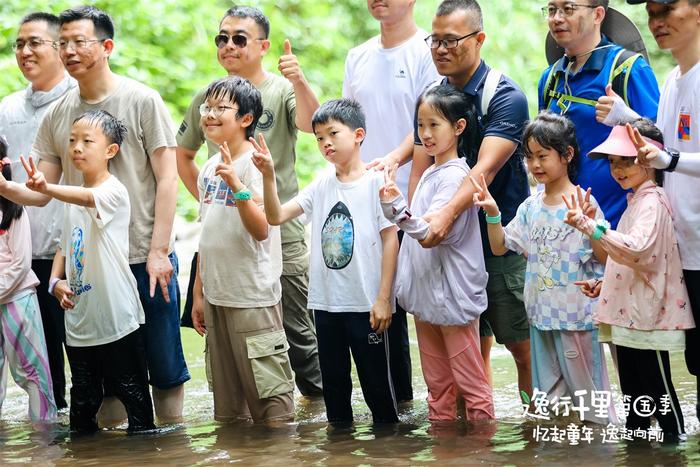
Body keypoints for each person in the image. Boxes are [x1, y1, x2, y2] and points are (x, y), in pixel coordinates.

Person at [0, 5, 189, 423]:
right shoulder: (58, 113)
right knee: (105, 379)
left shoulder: (142, 99)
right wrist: (7, 188)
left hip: (143, 257)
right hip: (92, 271)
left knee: (163, 369)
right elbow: (43, 191)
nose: (68, 50)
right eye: (62, 42)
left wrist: (160, 251)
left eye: (78, 41)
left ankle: (173, 447)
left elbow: (169, 179)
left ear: (106, 47)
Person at [373, 0, 532, 401]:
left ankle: (537, 433)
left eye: (451, 40)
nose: (440, 49)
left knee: (522, 346)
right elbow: (423, 167)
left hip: (500, 240)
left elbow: (484, 171)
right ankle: (469, 441)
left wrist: (442, 216)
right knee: (466, 350)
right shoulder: (436, 95)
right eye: (435, 40)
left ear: (479, 39)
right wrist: (414, 225)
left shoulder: (505, 96)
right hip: (452, 248)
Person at [176, 5, 322, 397]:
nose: (229, 46)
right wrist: (217, 205)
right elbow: (183, 154)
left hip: (281, 232)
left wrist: (300, 79)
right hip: (223, 245)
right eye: (222, 38)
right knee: (223, 345)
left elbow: (312, 125)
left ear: (263, 46)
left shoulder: (280, 89)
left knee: (297, 336)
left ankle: (321, 429)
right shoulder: (208, 100)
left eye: (239, 38)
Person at [253, 99, 400, 425]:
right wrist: (267, 175)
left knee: (377, 387)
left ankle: (390, 451)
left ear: (358, 134)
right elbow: (276, 216)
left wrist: (384, 298)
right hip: (326, 305)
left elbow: (391, 240)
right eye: (319, 137)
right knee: (335, 389)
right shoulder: (322, 183)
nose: (325, 143)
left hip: (366, 305)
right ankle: (339, 451)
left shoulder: (376, 183)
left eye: (333, 133)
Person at [472, 112, 614, 425]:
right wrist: (493, 214)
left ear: (567, 155)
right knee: (551, 408)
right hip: (541, 318)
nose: (535, 165)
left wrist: (591, 226)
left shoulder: (582, 202)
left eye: (543, 156)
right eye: (530, 157)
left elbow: (606, 260)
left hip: (576, 320)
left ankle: (598, 454)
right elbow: (500, 246)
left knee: (590, 403)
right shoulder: (531, 206)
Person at [22, 110, 156, 433]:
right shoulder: (70, 194)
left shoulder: (113, 191)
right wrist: (55, 281)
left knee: (135, 400)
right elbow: (64, 247)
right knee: (81, 407)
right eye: (71, 141)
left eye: (86, 141)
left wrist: (47, 188)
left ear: (111, 151)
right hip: (80, 321)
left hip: (117, 319)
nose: (76, 148)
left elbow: (86, 197)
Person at [565, 119, 694, 440]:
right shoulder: (636, 200)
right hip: (631, 314)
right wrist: (604, 284)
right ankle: (637, 451)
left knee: (659, 392)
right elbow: (630, 259)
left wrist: (590, 226)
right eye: (613, 163)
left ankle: (674, 450)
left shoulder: (652, 202)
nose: (618, 170)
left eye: (627, 161)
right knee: (635, 396)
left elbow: (638, 250)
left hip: (646, 317)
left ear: (650, 159)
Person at [605, 0, 700, 424]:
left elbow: (669, 156)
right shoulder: (672, 79)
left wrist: (671, 160)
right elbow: (660, 147)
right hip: (682, 247)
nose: (656, 23)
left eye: (666, 10)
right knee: (694, 361)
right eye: (651, 13)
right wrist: (630, 118)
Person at [342, 0, 441, 402]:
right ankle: (392, 405)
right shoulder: (358, 56)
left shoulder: (427, 50)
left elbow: (429, 121)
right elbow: (348, 124)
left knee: (415, 303)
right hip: (365, 194)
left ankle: (427, 401)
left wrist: (396, 160)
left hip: (413, 194)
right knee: (377, 300)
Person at [379, 85, 493, 421]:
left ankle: (480, 453)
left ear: (458, 127)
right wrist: (399, 211)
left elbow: (431, 234)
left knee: (472, 387)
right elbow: (422, 225)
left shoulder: (458, 175)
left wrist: (398, 212)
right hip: (428, 297)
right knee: (438, 387)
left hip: (453, 299)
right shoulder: (430, 172)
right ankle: (444, 450)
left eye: (434, 125)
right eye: (421, 125)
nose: (425, 134)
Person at [190, 76, 294, 424]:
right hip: (218, 297)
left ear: (246, 119)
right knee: (229, 412)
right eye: (207, 107)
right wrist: (198, 293)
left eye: (221, 108)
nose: (209, 114)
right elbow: (207, 232)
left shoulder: (257, 164)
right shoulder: (208, 167)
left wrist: (236, 185)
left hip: (252, 297)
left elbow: (262, 228)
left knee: (272, 407)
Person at [0, 11, 76, 411]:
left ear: (59, 49)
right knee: (40, 366)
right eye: (19, 44)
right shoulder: (7, 108)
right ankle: (53, 440)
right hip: (18, 258)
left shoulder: (76, 101)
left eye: (35, 43)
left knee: (81, 351)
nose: (25, 51)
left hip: (68, 252)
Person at [539, 0, 659, 227]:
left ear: (597, 14)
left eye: (568, 9)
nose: (556, 18)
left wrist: (627, 118)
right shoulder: (550, 78)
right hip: (564, 225)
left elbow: (663, 144)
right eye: (552, 10)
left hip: (618, 225)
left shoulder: (629, 69)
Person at [0, 138, 57, 425]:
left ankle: (43, 435)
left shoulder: (13, 209)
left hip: (18, 299)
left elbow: (21, 264)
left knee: (32, 369)